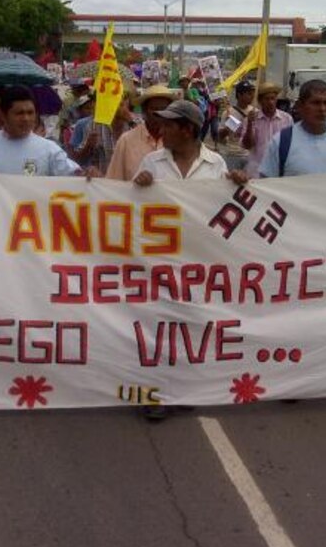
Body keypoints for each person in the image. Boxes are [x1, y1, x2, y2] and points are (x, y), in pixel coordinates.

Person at [133, 99, 248, 419]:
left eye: (169, 125)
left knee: (190, 327)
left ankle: (182, 389)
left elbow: (224, 207)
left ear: (188, 130)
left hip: (199, 260)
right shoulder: (152, 162)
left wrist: (237, 185)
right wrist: (138, 187)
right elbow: (129, 207)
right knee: (157, 326)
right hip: (159, 260)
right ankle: (154, 394)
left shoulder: (215, 165)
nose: (162, 130)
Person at [0, 86, 92, 177]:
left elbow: (76, 176)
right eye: (19, 113)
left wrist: (89, 175)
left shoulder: (49, 149)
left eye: (30, 113)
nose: (26, 118)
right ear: (4, 115)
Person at [259, 79, 326, 178]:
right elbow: (265, 183)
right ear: (300, 106)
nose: (322, 109)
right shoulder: (281, 142)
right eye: (316, 103)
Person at [105, 85, 176, 181]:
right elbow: (113, 180)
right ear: (144, 111)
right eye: (154, 109)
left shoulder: (178, 141)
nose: (159, 114)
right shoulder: (126, 141)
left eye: (164, 109)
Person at [242, 82, 293, 178]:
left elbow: (291, 145)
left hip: (278, 172)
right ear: (260, 101)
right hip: (256, 172)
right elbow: (247, 145)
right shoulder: (251, 119)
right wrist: (249, 124)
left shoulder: (287, 119)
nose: (270, 102)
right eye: (267, 99)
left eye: (273, 98)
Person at [217, 80, 255, 172]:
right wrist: (229, 126)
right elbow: (220, 137)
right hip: (232, 155)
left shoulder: (254, 112)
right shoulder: (228, 113)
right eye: (248, 93)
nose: (252, 95)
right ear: (239, 95)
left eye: (252, 92)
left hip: (250, 155)